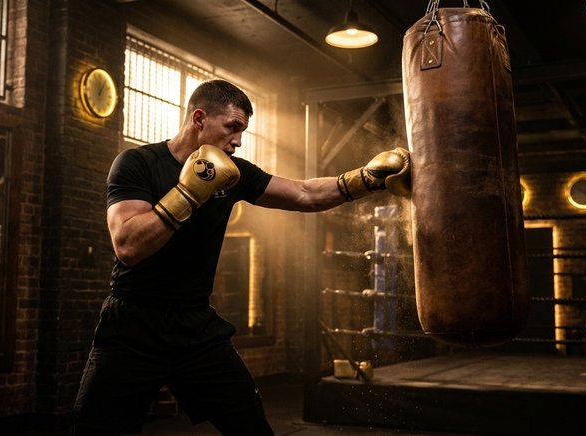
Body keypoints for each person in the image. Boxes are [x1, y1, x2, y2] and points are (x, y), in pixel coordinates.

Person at [72, 79, 410, 435]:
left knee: (250, 427)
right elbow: (128, 246)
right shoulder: (137, 163)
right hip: (132, 324)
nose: (237, 140)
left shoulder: (235, 173)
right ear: (199, 118)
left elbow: (304, 194)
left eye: (242, 131)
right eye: (232, 128)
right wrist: (189, 192)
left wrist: (366, 179)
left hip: (194, 325)